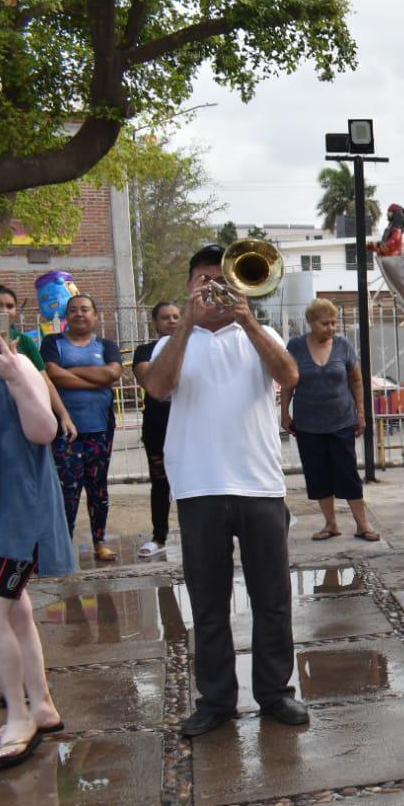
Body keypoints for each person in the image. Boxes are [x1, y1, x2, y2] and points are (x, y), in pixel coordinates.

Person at [142, 244, 308, 737]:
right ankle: (216, 700)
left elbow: (290, 375)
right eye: (203, 280)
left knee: (272, 600)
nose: (214, 287)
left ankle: (276, 693)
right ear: (190, 286)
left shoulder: (262, 333)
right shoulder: (170, 341)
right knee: (209, 603)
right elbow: (157, 387)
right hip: (198, 488)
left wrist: (249, 322)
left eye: (223, 279)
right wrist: (188, 325)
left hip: (259, 485)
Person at [0, 330, 74, 770]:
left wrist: (19, 378)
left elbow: (44, 431)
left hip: (17, 515)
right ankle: (42, 706)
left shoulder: (12, 368)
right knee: (15, 611)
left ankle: (19, 716)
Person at [282, 299, 379, 542]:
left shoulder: (343, 346)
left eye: (334, 323)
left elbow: (356, 381)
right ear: (311, 323)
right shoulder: (295, 346)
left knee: (348, 474)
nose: (332, 328)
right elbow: (288, 382)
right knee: (318, 474)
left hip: (341, 422)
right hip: (308, 424)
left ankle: (362, 524)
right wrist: (284, 412)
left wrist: (361, 413)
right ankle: (330, 524)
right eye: (325, 323)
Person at [40, 294, 123, 561]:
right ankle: (63, 546)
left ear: (95, 316)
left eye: (85, 310)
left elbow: (112, 374)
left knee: (98, 488)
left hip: (99, 428)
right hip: (65, 429)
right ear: (66, 316)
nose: (79, 314)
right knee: (68, 489)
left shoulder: (107, 345)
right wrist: (94, 380)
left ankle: (99, 541)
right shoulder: (53, 343)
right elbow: (52, 373)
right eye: (73, 310)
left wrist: (71, 373)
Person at [0, 284, 77, 441]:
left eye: (10, 306)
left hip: (22, 419)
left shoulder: (24, 341)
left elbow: (45, 382)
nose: (4, 310)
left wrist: (64, 415)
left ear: (16, 312)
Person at [131, 302, 180, 558]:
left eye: (176, 317)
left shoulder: (192, 348)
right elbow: (150, 381)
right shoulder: (145, 351)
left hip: (188, 428)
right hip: (157, 427)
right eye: (165, 317)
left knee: (191, 482)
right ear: (155, 322)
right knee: (160, 482)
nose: (171, 321)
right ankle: (158, 537)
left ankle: (197, 535)